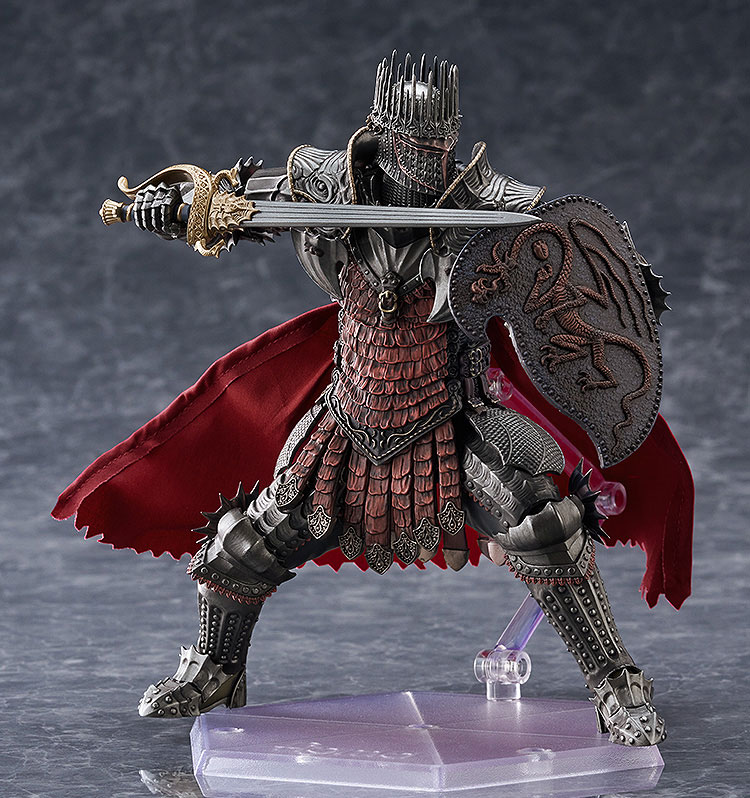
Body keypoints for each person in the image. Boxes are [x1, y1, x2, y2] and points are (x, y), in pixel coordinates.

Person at [55, 53, 693, 746]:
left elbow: (570, 255)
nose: (426, 165)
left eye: (438, 150)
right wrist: (182, 206)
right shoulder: (325, 185)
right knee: (243, 545)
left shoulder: (487, 203)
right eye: (413, 148)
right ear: (382, 134)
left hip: (454, 414)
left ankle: (616, 683)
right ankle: (217, 670)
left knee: (542, 524)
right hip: (350, 412)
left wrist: (620, 281)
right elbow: (229, 199)